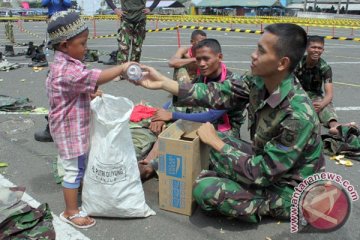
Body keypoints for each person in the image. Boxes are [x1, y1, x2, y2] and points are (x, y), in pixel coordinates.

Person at [135, 23, 325, 222]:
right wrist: (164, 83)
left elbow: (261, 172)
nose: (253, 55)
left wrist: (217, 144)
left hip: (289, 187)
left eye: (261, 51)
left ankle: (282, 206)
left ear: (281, 63)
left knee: (205, 190)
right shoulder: (258, 81)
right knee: (210, 142)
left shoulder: (297, 115)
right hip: (265, 161)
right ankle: (165, 166)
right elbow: (218, 93)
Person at [46, 10, 132, 228]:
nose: (86, 48)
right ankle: (71, 211)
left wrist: (89, 92)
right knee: (73, 169)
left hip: (74, 126)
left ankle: (78, 196)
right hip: (68, 129)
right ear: (65, 45)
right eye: (82, 43)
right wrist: (122, 68)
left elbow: (79, 85)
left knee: (80, 164)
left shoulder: (69, 62)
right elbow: (92, 77)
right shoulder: (65, 69)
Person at [139, 39, 246, 181]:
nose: (201, 64)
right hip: (205, 120)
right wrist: (161, 112)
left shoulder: (232, 82)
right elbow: (186, 95)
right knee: (172, 125)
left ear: (219, 57)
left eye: (206, 59)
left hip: (225, 129)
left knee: (190, 139)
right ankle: (148, 161)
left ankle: (154, 166)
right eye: (198, 59)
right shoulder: (203, 77)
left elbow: (211, 116)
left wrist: (171, 114)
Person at [294, 35, 354, 135]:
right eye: (313, 47)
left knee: (326, 105)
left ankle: (335, 126)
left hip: (314, 96)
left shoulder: (325, 68)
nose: (316, 50)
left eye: (319, 48)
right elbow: (288, 84)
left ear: (323, 50)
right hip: (297, 94)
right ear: (306, 48)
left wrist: (321, 105)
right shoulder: (297, 64)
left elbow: (329, 94)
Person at [33, 0, 73, 141]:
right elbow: (43, 3)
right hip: (54, 22)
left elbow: (69, 4)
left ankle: (55, 126)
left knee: (58, 81)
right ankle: (62, 125)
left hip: (65, 22)